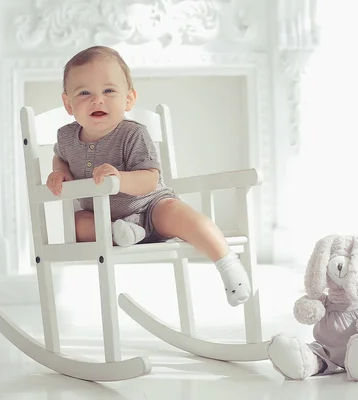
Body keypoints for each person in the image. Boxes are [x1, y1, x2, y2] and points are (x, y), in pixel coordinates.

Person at [46, 46, 250, 307]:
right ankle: (123, 232)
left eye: (109, 91)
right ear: (68, 104)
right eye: (84, 93)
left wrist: (118, 178)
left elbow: (150, 179)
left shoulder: (133, 134)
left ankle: (227, 263)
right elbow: (60, 156)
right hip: (106, 217)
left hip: (151, 207)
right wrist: (59, 172)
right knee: (76, 223)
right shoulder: (65, 137)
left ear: (129, 99)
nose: (97, 99)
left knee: (180, 214)